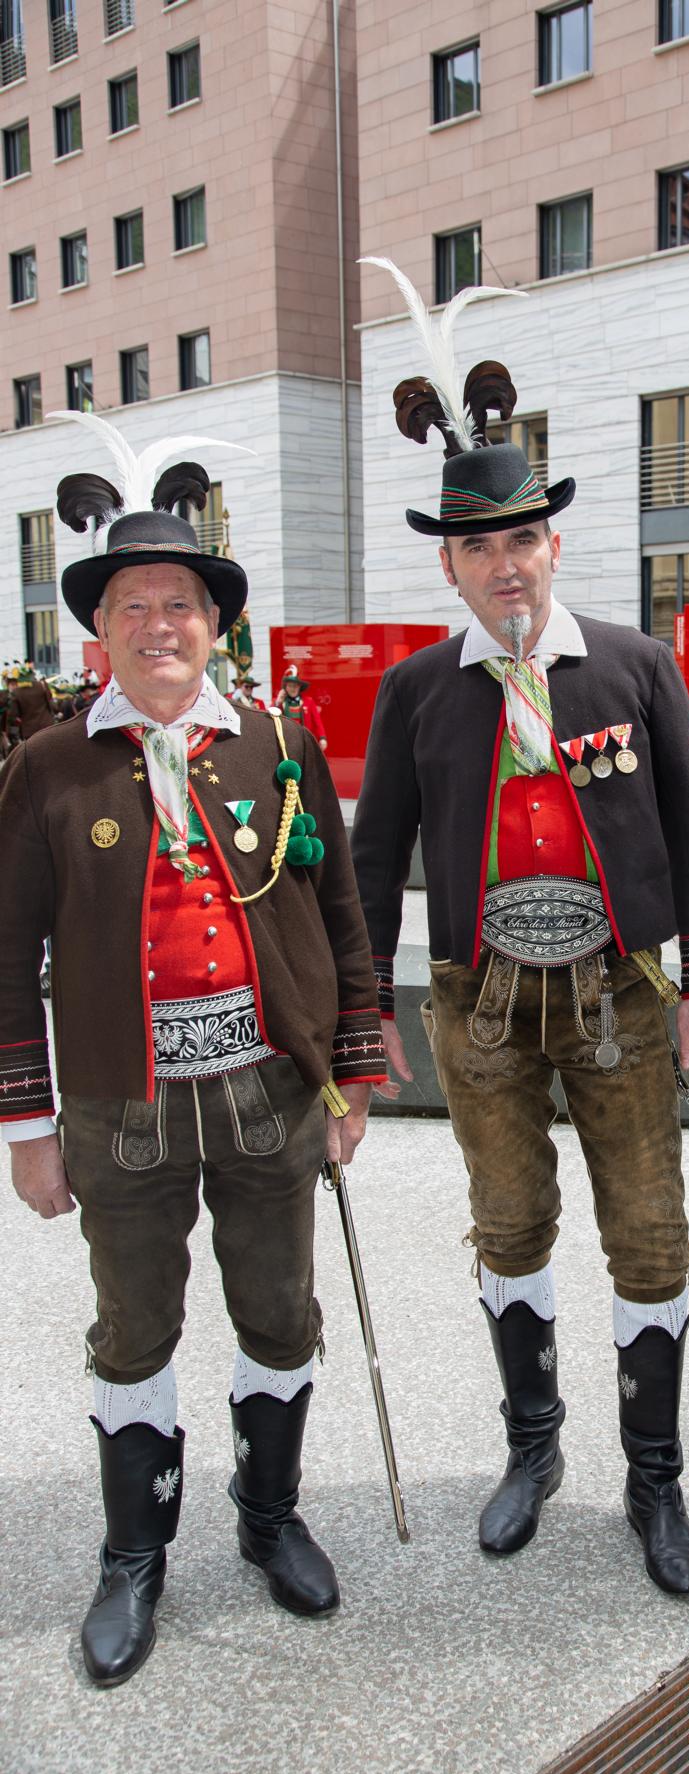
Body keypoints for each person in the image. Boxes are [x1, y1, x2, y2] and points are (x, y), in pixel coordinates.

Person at [351, 261, 689, 1594]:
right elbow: (371, 854)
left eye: (522, 540)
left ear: (552, 543)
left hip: (622, 989)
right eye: (477, 547)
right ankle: (534, 1447)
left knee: (647, 1230)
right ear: (448, 562)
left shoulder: (634, 664)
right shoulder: (414, 692)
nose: (503, 566)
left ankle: (656, 1480)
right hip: (483, 999)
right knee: (508, 1222)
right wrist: (359, 1019)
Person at [0, 412, 385, 1687]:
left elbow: (337, 909)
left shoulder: (275, 746)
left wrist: (356, 1067)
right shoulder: (50, 766)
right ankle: (134, 1552)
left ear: (214, 622)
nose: (157, 626)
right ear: (96, 630)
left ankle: (269, 1519)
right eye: (130, 606)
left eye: (179, 602)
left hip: (273, 1088)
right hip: (124, 1105)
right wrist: (27, 1124)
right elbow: (6, 955)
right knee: (135, 1328)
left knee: (279, 1313)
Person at [6, 660, 60, 738]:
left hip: (30, 732)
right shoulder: (42, 685)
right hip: (47, 727)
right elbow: (53, 706)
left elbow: (12, 716)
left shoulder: (16, 692)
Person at [277, 665, 327, 749]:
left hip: (304, 742)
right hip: (286, 743)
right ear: (285, 688)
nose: (292, 689)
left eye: (295, 686)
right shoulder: (281, 702)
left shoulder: (309, 701)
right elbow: (271, 718)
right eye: (290, 686)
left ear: (299, 687)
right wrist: (278, 702)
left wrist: (322, 738)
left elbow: (317, 722)